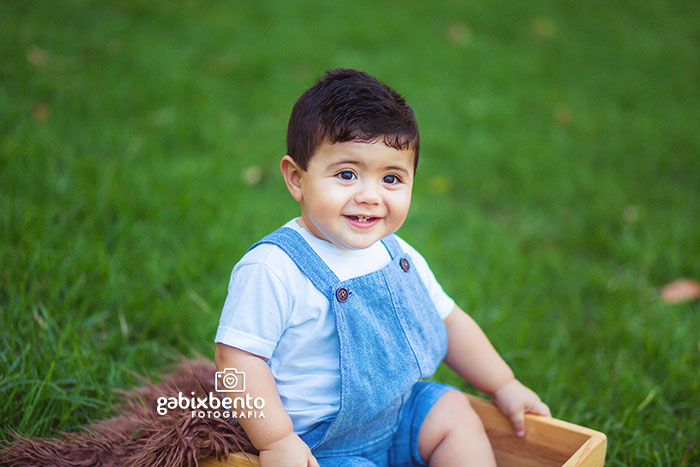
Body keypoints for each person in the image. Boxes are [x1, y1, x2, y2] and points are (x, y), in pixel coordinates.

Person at [215, 68, 550, 467]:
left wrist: (503, 383)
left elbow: (450, 322)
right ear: (296, 178)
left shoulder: (397, 255)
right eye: (346, 174)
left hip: (398, 415)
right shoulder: (274, 268)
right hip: (319, 444)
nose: (370, 196)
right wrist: (277, 440)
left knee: (454, 411)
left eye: (391, 178)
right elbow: (236, 360)